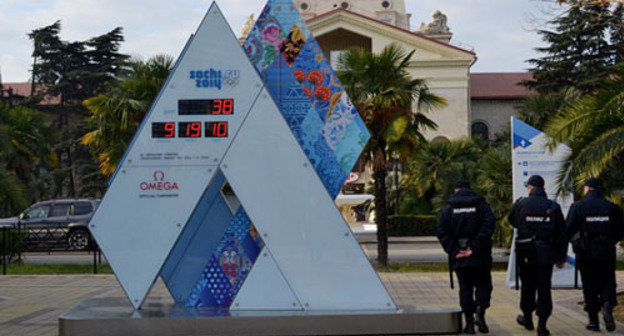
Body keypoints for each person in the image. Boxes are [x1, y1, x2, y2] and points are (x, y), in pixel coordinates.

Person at [508, 175, 567, 336]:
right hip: (545, 253)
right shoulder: (552, 206)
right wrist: (561, 257)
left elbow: (512, 221)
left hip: (526, 252)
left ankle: (527, 319)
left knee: (527, 286)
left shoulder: (521, 204)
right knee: (544, 288)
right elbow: (562, 234)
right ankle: (542, 325)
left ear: (530, 187)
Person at [566, 178, 624, 332]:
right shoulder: (612, 208)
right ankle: (607, 305)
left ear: (587, 188)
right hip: (606, 250)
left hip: (586, 252)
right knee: (607, 281)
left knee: (589, 284)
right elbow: (619, 232)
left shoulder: (578, 207)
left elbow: (569, 229)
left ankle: (593, 321)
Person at [438, 180, 495, 334]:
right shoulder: (481, 205)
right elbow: (489, 227)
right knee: (484, 285)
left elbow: (442, 232)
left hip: (459, 257)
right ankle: (480, 311)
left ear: (455, 190)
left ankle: (469, 324)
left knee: (465, 289)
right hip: (480, 255)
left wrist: (455, 250)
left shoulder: (448, 207)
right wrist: (474, 248)